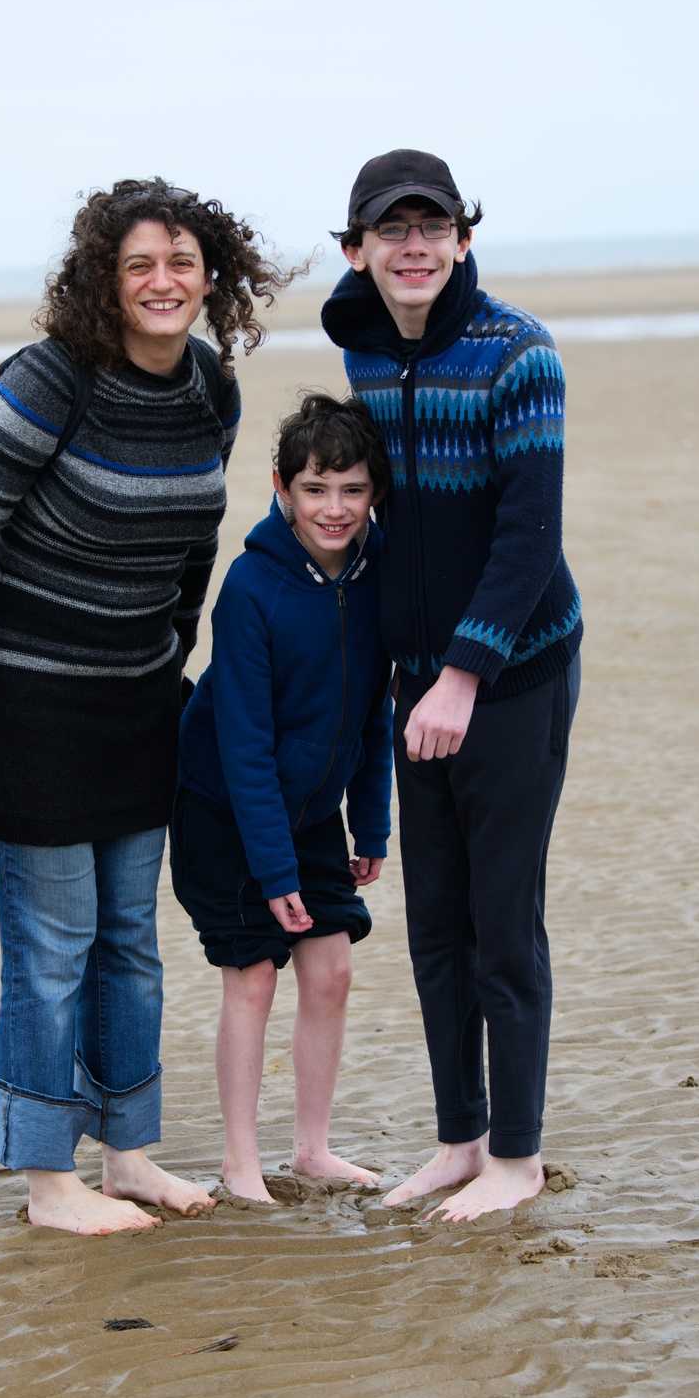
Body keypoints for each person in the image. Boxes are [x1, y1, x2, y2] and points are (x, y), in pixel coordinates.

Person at [0, 178, 296, 1235]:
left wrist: (174, 659)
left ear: (211, 276)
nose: (162, 281)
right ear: (104, 280)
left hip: (139, 700)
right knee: (51, 947)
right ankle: (48, 1179)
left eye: (181, 262)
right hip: (29, 701)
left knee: (129, 938)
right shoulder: (48, 383)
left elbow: (192, 548)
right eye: (139, 265)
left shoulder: (209, 390)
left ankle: (126, 1153)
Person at [321, 148, 582, 1223]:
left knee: (501, 922)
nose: (413, 245)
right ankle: (459, 1140)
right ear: (357, 250)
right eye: (391, 229)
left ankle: (517, 1156)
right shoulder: (364, 352)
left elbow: (527, 536)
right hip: (415, 683)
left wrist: (464, 674)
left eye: (432, 226)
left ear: (463, 239)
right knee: (434, 926)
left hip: (513, 674)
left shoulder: (518, 353)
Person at [171, 393, 393, 1201]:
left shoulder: (377, 577)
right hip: (226, 810)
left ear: (374, 493)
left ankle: (311, 1148)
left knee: (330, 971)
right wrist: (273, 873)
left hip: (309, 809)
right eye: (314, 489)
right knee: (254, 975)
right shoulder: (251, 588)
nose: (334, 508)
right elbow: (243, 745)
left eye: (352, 490)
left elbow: (374, 711)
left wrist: (370, 824)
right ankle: (239, 1162)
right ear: (281, 489)